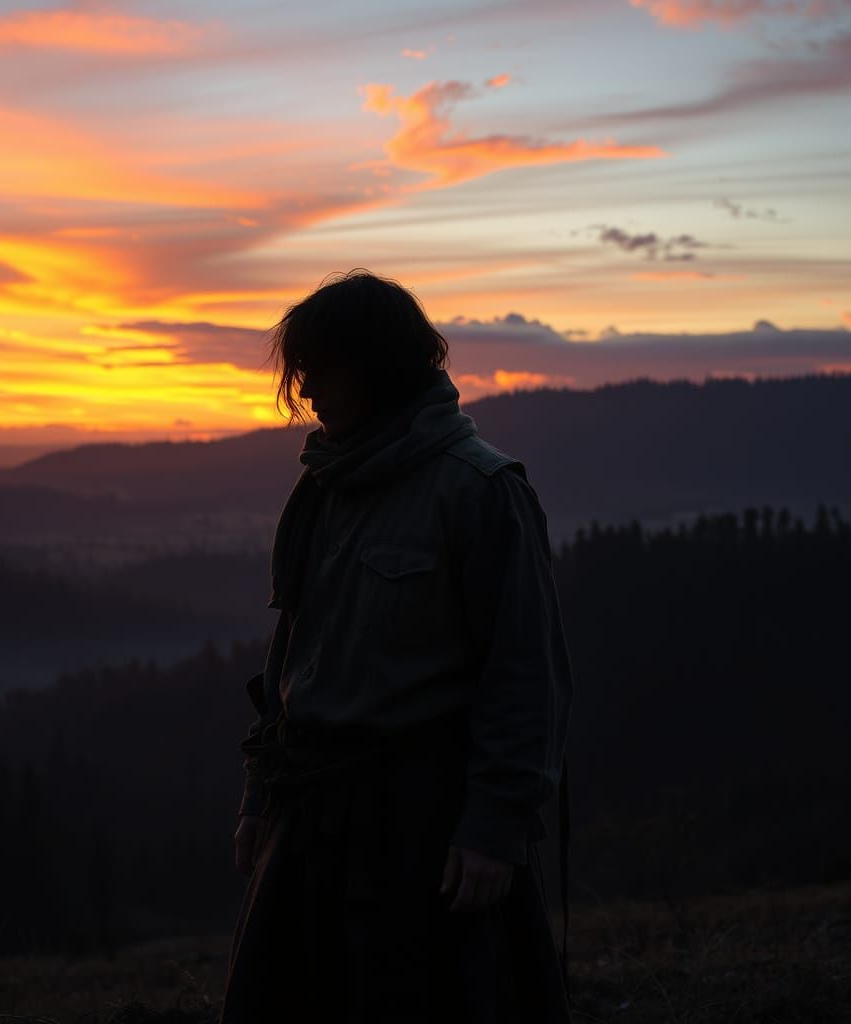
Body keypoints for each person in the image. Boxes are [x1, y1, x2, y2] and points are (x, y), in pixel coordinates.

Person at [218, 269, 573, 1024]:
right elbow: (293, 651)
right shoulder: (323, 487)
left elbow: (524, 674)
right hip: (313, 815)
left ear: (374, 367)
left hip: (423, 828)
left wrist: (493, 829)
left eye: (320, 367)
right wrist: (263, 794)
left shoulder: (480, 491)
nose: (306, 389)